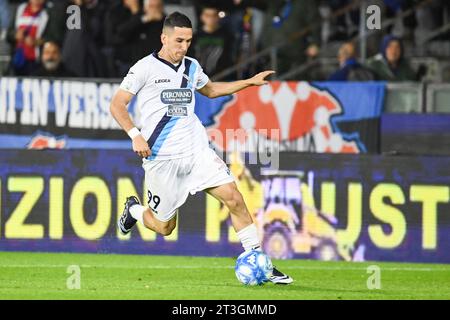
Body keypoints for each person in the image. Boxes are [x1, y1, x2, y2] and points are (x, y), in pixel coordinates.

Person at [110, 11, 293, 285]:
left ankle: (261, 263)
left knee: (234, 198)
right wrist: (135, 135)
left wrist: (248, 82)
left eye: (188, 41)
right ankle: (134, 210)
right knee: (164, 227)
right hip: (161, 159)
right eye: (179, 41)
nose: (184, 47)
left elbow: (211, 90)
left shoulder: (192, 67)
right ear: (164, 38)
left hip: (197, 153)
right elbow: (117, 104)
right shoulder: (144, 68)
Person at [6, 0, 49, 75]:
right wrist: (16, 35)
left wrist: (36, 42)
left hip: (37, 62)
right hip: (18, 59)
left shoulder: (49, 12)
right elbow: (8, 35)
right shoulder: (19, 9)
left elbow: (53, 38)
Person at [193, 5, 233, 76]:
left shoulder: (227, 36)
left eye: (214, 15)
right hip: (198, 78)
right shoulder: (194, 36)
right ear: (202, 17)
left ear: (218, 17)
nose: (211, 18)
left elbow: (230, 58)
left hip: (222, 78)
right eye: (207, 15)